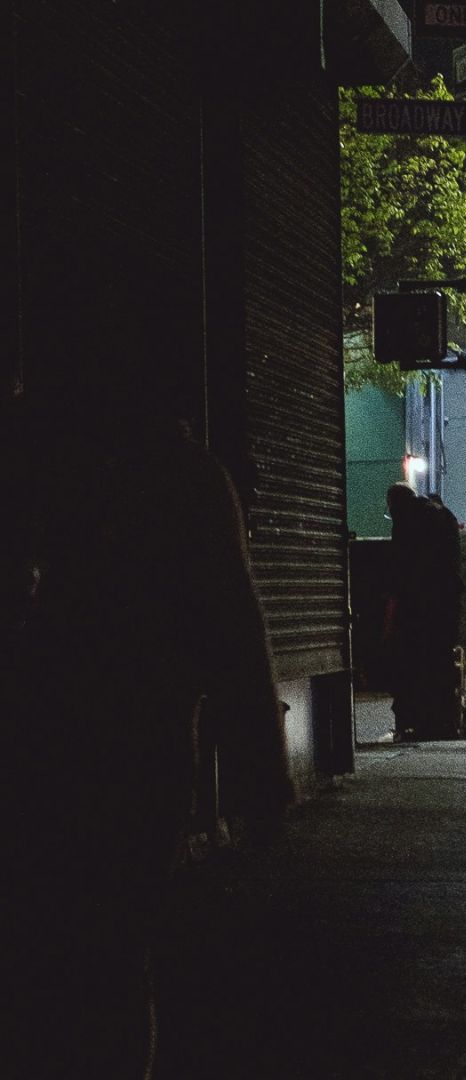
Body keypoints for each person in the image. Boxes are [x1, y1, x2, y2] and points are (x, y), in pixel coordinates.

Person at [2, 394, 293, 1078]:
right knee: (112, 951)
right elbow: (233, 632)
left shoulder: (30, 462)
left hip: (32, 739)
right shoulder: (182, 475)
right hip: (137, 750)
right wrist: (260, 773)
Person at [385, 484, 462, 739]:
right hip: (446, 606)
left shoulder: (406, 519)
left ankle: (415, 722)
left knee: (413, 664)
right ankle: (445, 721)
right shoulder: (444, 515)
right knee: (441, 661)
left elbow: (399, 568)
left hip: (417, 609)